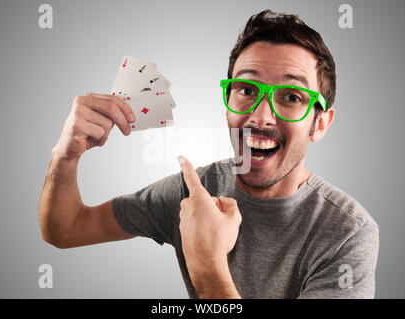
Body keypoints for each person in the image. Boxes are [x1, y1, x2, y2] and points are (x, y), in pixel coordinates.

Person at [38, 10, 379, 299]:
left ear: (320, 123)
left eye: (291, 97)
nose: (261, 117)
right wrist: (65, 156)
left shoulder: (347, 232)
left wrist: (205, 261)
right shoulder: (193, 192)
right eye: (246, 89)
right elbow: (64, 229)